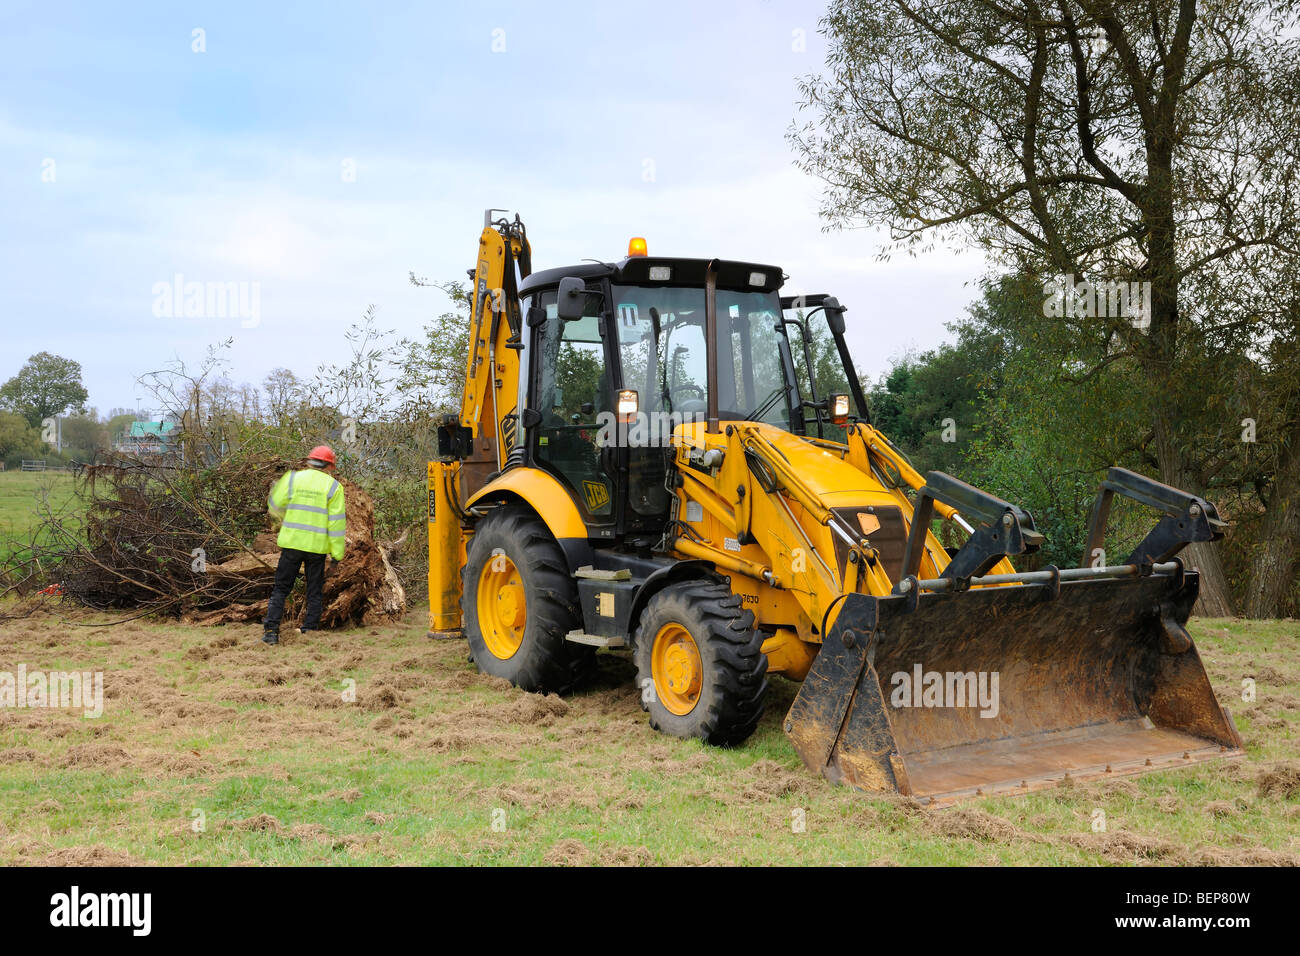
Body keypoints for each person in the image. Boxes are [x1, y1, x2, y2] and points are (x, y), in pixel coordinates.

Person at [262, 445, 346, 644]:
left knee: (281, 589)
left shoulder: (292, 479)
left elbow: (274, 505)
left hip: (291, 544)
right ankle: (310, 631)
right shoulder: (334, 487)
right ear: (329, 466)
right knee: (314, 590)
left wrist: (281, 519)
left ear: (309, 461)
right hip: (316, 548)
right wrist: (337, 555)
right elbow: (336, 524)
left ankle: (271, 633)